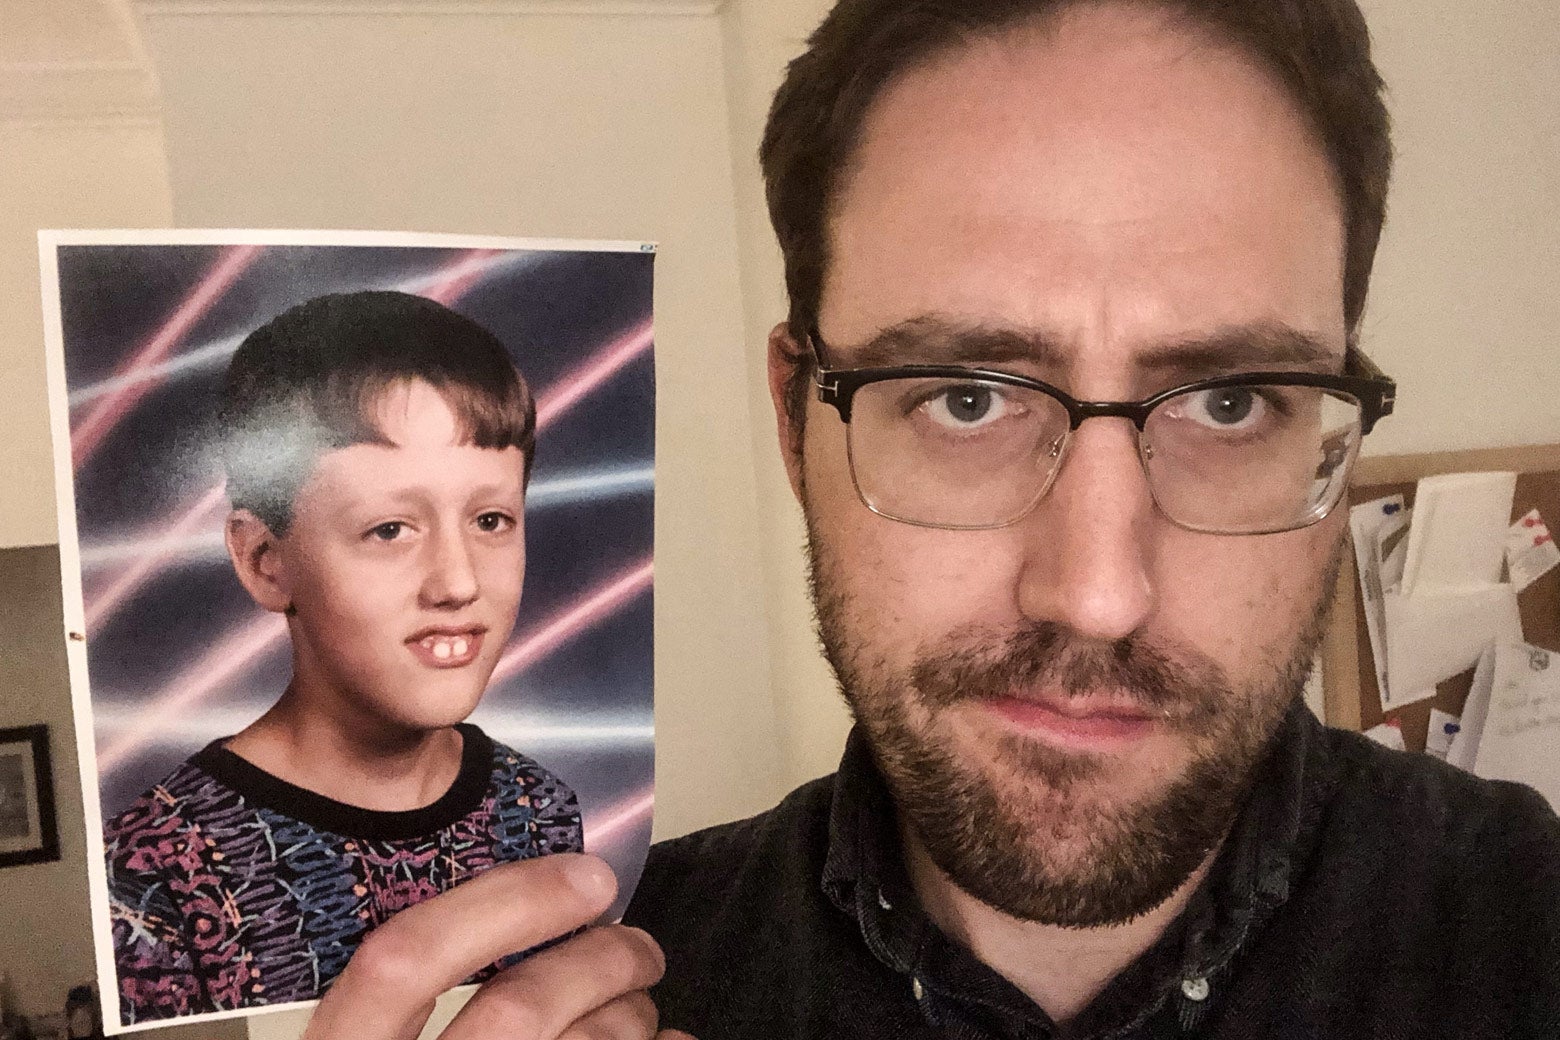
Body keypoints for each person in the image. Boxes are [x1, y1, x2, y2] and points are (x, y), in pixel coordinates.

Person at [295, 1, 1560, 1038]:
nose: (1099, 588)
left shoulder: (1525, 928)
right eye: (967, 396)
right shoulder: (606, 978)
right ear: (799, 423)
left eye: (1231, 402)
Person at [103, 291, 585, 1024]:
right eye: (390, 529)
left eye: (491, 520)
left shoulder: (539, 806)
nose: (458, 583)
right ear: (265, 560)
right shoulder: (153, 867)